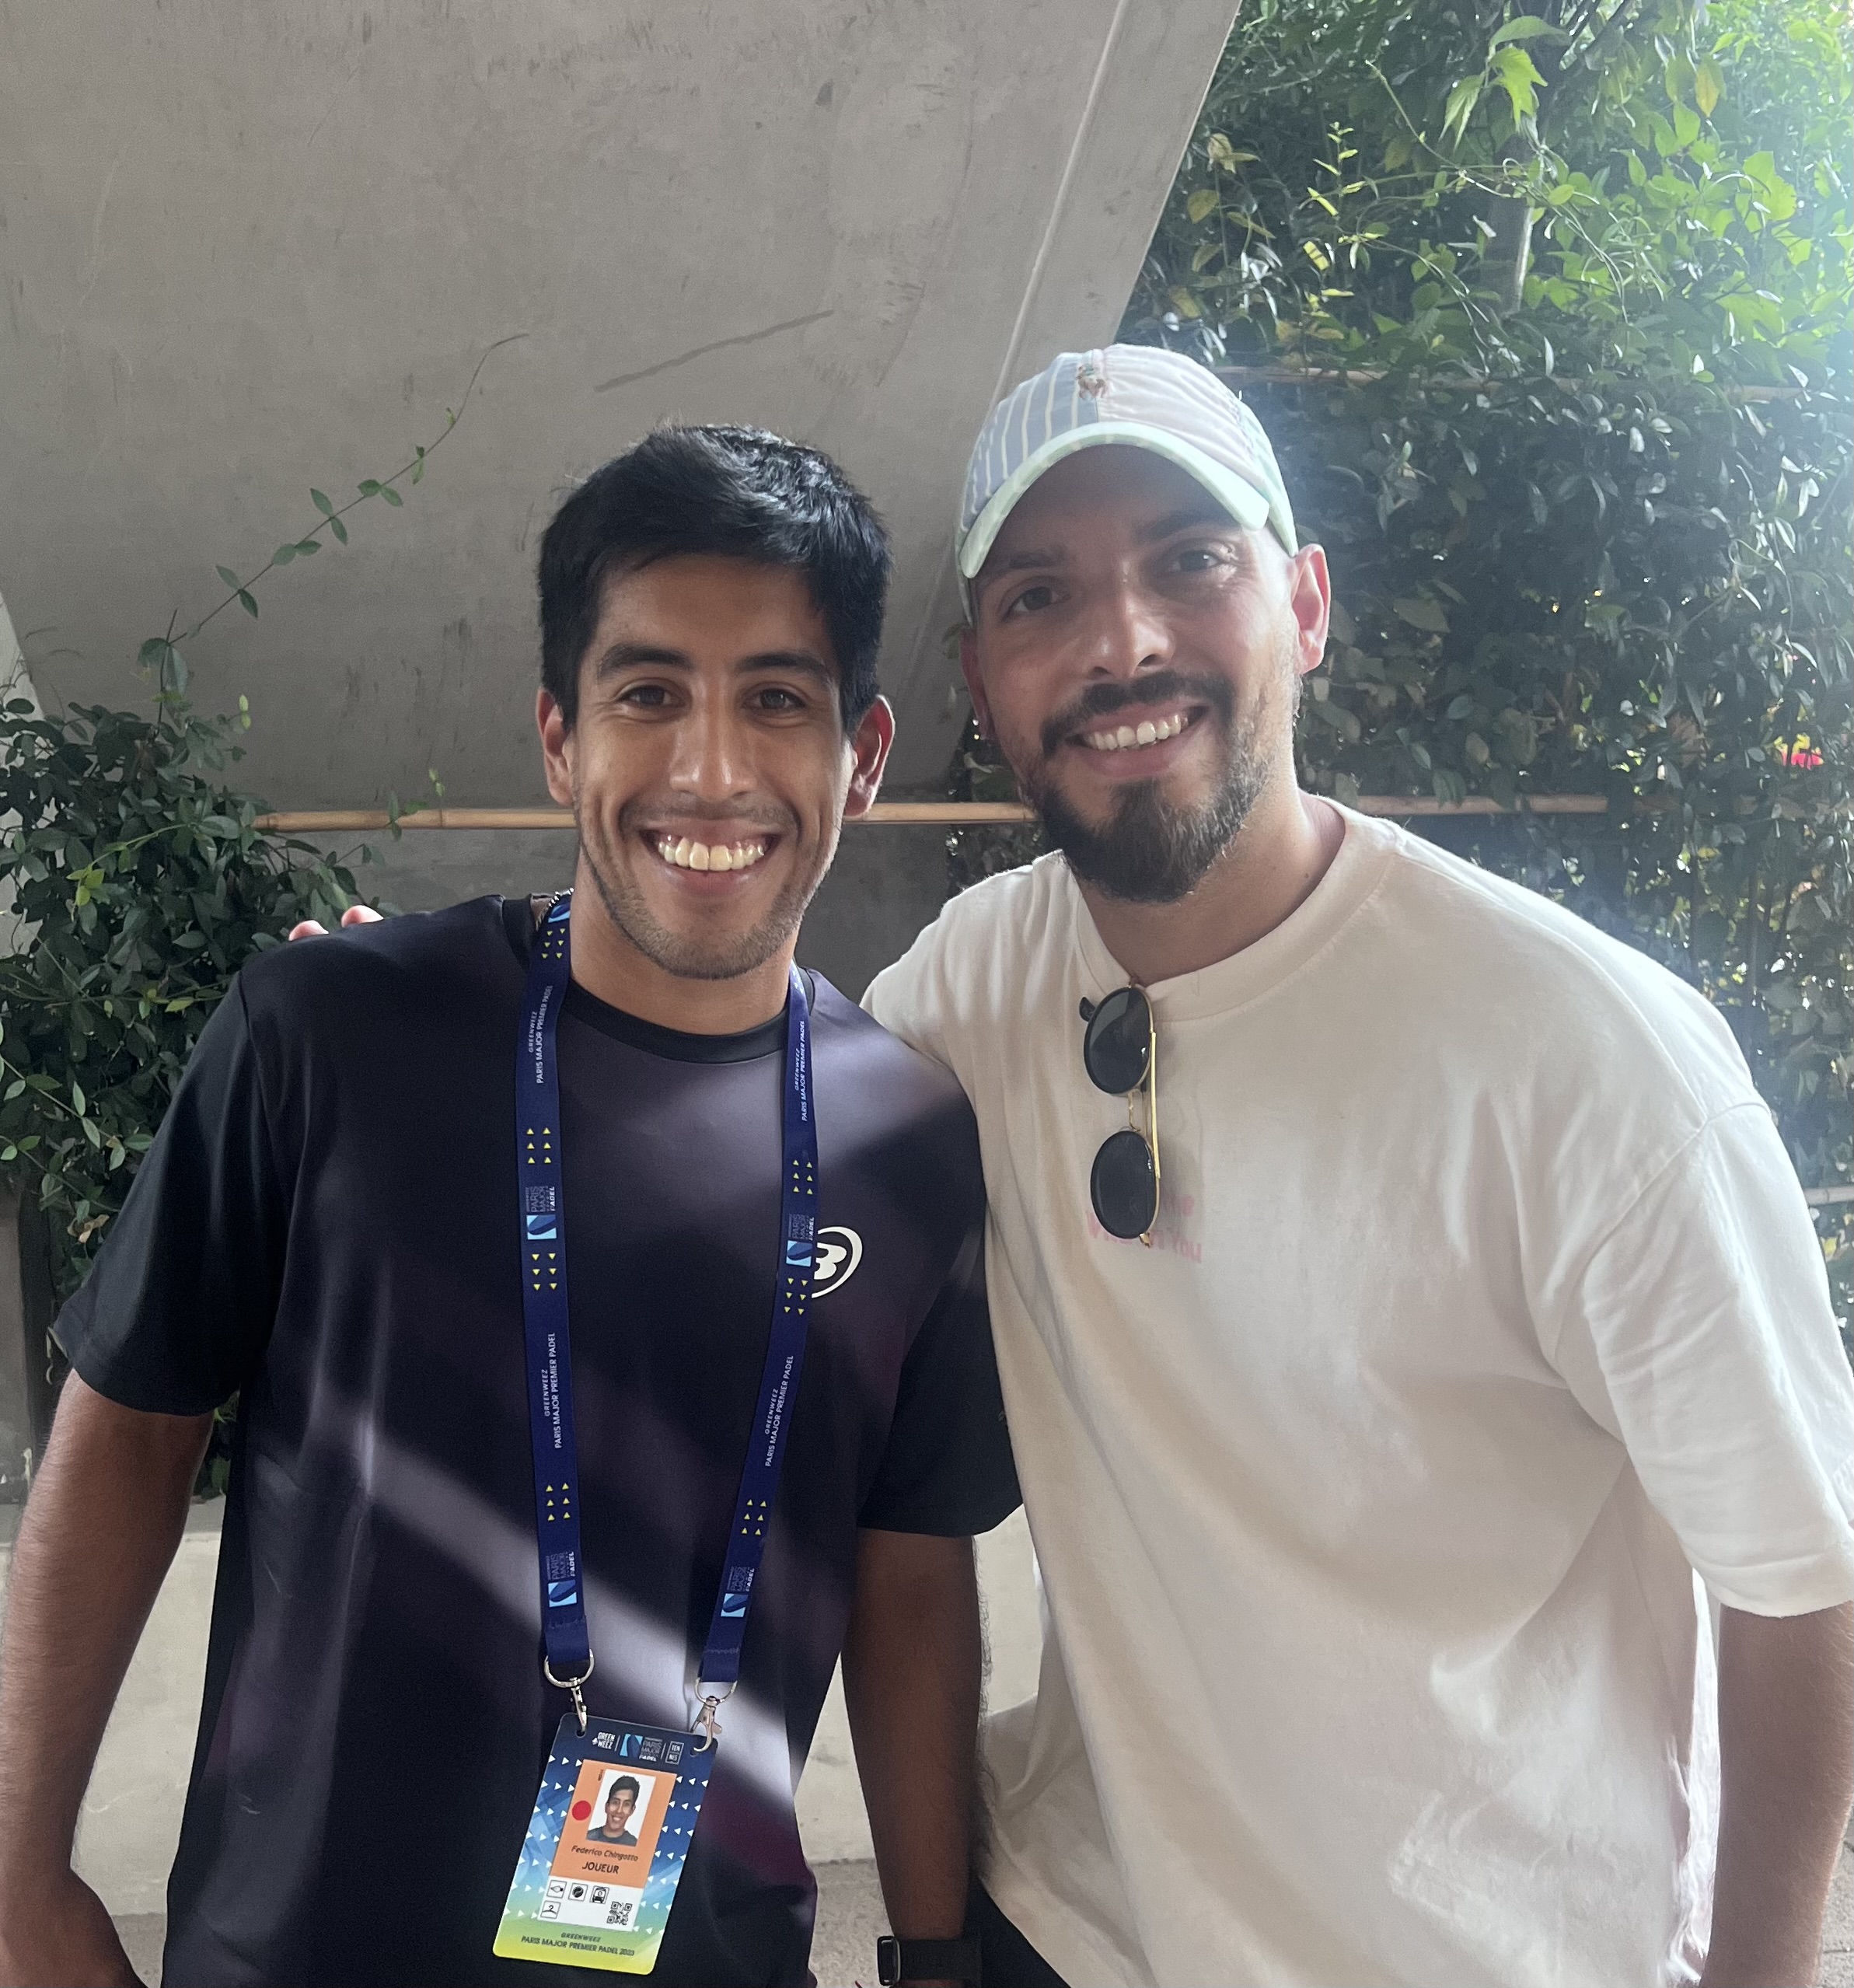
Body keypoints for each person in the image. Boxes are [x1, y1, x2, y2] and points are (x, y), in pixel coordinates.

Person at [864, 344, 1854, 1987]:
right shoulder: (976, 983)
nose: (1122, 642)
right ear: (984, 677)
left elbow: (1802, 1579)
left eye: (1191, 560)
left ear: (1305, 605)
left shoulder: (1584, 1060)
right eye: (1041, 596)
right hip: (1085, 1927)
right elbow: (743, 1125)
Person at [0, 425, 1016, 1988]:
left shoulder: (911, 1142)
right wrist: (18, 1880)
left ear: (862, 753)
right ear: (558, 735)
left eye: (775, 700)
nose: (711, 771)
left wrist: (940, 1955)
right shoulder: (328, 1035)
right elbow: (127, 1430)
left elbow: (907, 1568)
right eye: (647, 693)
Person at [588, 1779, 641, 1848]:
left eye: (626, 1804)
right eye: (615, 1802)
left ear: (632, 1810)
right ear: (607, 1806)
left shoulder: (635, 1847)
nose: (619, 1810)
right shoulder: (588, 1837)